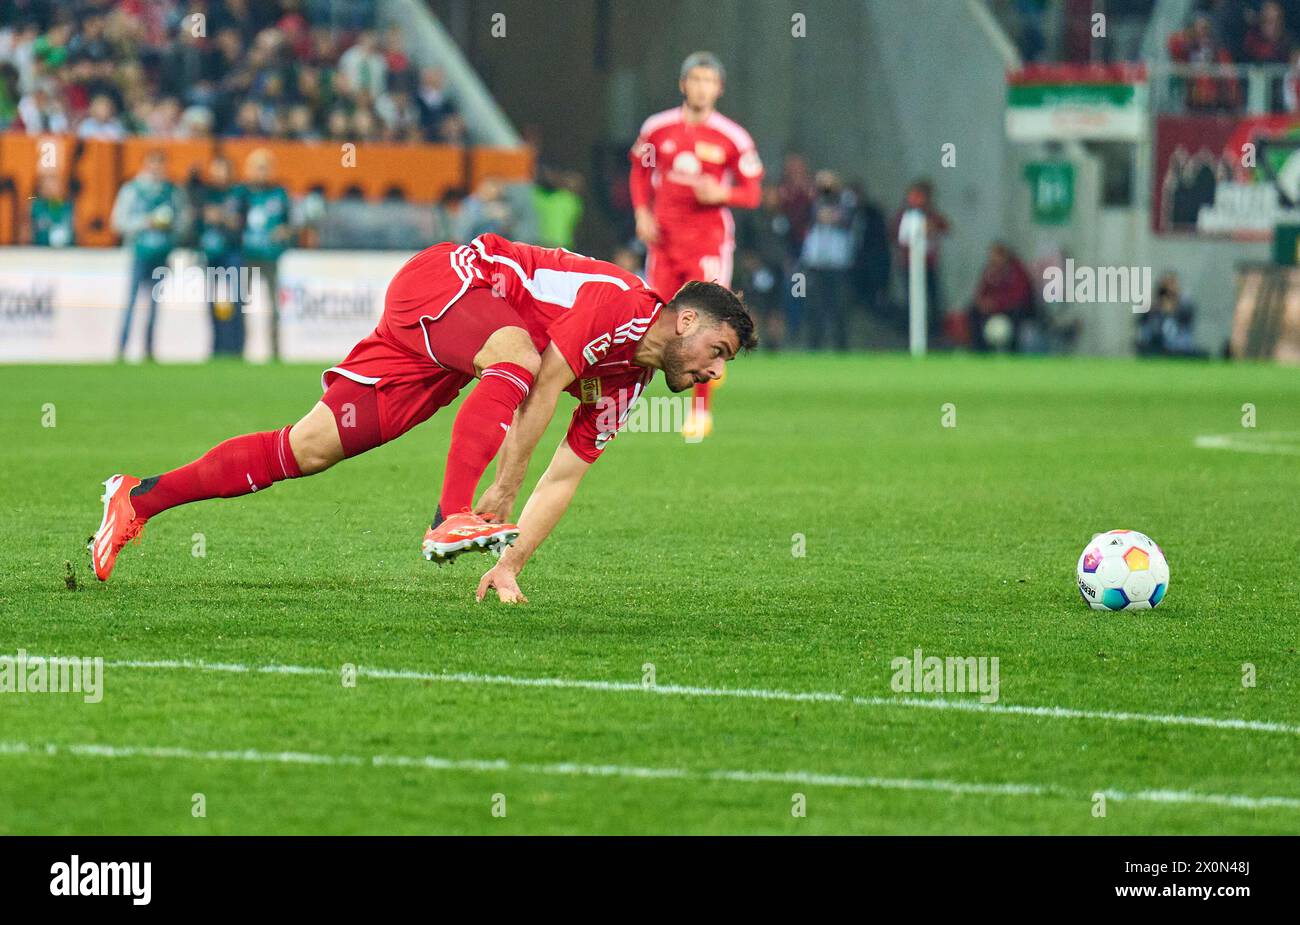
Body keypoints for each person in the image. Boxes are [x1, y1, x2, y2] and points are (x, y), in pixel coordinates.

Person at [87, 234, 755, 604]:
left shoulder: (628, 384)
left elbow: (567, 474)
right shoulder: (621, 302)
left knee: (308, 447)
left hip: (460, 348)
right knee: (520, 358)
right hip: (452, 283)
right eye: (717, 351)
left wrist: (510, 561)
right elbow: (545, 377)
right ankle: (448, 516)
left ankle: (140, 498)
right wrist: (498, 489)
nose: (712, 372)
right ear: (687, 320)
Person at [630, 51, 763, 441]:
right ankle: (628, 401)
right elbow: (640, 171)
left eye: (710, 81)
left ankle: (700, 410)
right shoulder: (657, 128)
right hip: (664, 242)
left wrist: (722, 191)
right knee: (654, 318)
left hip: (707, 244)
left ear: (719, 89)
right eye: (696, 79)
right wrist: (641, 212)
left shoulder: (732, 137)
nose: (702, 87)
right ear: (682, 84)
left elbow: (753, 193)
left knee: (706, 323)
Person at [111, 149, 187, 361]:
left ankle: (149, 349)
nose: (156, 168)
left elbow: (183, 222)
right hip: (139, 252)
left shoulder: (172, 191)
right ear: (145, 165)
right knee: (131, 301)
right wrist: (146, 222)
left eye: (160, 164)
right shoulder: (132, 190)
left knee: (155, 305)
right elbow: (118, 222)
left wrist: (170, 227)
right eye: (152, 163)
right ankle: (122, 348)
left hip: (161, 254)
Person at [237, 148, 293, 359]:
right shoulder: (242, 193)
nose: (262, 172)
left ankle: (275, 351)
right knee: (241, 305)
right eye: (258, 167)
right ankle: (240, 349)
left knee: (274, 307)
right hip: (246, 255)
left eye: (266, 167)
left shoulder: (279, 193)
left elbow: (289, 224)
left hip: (271, 256)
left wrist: (285, 232)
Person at [193, 156, 247, 357]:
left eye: (223, 170)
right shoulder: (206, 193)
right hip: (212, 254)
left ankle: (237, 348)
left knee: (236, 301)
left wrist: (221, 217)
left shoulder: (239, 194)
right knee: (213, 302)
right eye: (217, 170)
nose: (220, 175)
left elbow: (240, 223)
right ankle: (216, 347)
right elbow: (198, 219)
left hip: (233, 253)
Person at [799, 170, 858, 351]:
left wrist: (833, 216)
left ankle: (841, 346)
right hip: (816, 263)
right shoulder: (811, 201)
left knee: (839, 307)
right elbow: (802, 219)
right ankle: (814, 345)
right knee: (815, 306)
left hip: (837, 263)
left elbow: (849, 219)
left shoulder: (846, 200)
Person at [967, 242, 1034, 352]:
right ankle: (979, 349)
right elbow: (981, 291)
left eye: (996, 256)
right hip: (994, 309)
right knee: (973, 311)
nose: (992, 259)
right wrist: (982, 302)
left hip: (1013, 308)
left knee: (1017, 313)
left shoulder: (1016, 270)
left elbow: (1020, 295)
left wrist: (997, 303)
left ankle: (1014, 350)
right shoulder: (990, 271)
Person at [1137, 272, 1204, 357]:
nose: (1169, 289)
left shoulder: (1184, 303)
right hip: (1157, 339)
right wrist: (1157, 309)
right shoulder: (1153, 304)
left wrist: (1173, 310)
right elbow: (1141, 322)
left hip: (1179, 340)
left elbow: (1188, 320)